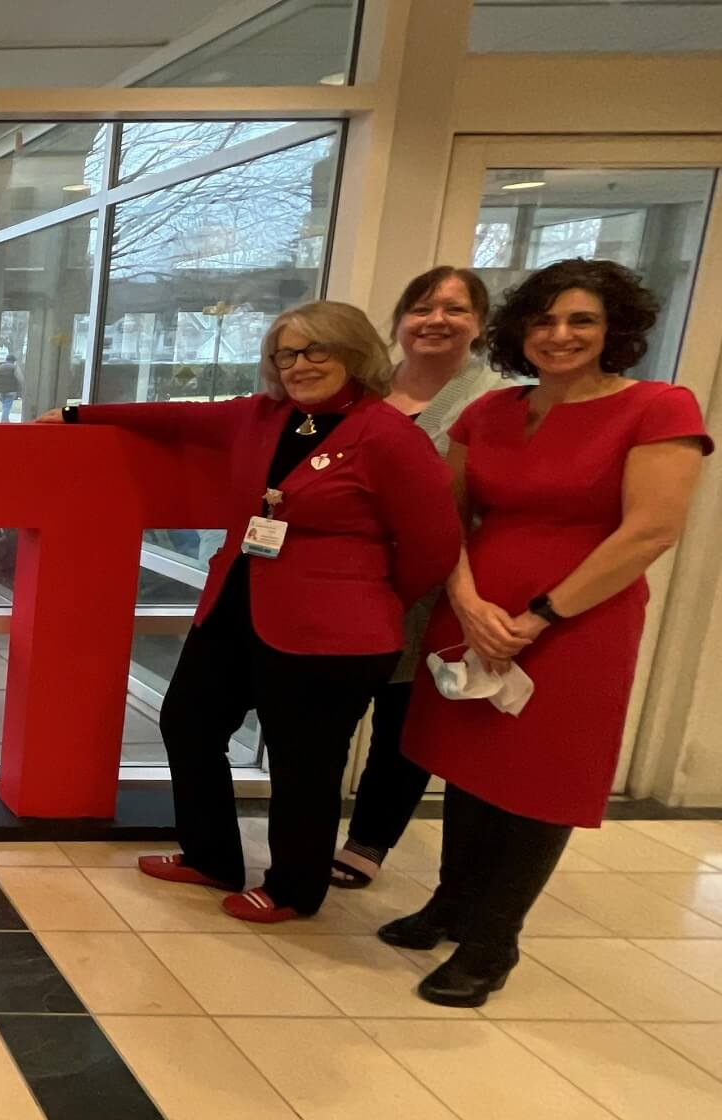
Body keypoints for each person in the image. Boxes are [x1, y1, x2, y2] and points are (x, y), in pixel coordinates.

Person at [42, 301, 461, 923]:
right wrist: (78, 414)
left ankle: (295, 887)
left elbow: (433, 546)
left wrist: (368, 597)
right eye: (285, 354)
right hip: (236, 603)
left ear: (354, 353)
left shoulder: (389, 435)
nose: (299, 366)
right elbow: (179, 419)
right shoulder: (263, 416)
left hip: (333, 631)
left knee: (304, 761)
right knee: (188, 723)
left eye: (316, 351)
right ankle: (211, 856)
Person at [387, 259, 711, 1007]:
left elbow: (651, 530)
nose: (559, 335)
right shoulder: (491, 413)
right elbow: (451, 515)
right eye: (543, 320)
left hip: (576, 624)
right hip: (476, 612)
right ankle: (451, 903)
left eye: (581, 321)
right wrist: (467, 602)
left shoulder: (659, 408)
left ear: (614, 331)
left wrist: (541, 614)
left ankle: (492, 940)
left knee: (538, 780)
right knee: (468, 765)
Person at [331, 266, 505, 888]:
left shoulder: (498, 399)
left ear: (480, 325)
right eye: (423, 308)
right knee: (327, 716)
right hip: (346, 584)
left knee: (403, 721)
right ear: (401, 320)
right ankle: (305, 833)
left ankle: (368, 842)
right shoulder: (362, 389)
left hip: (436, 586)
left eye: (456, 310)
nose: (436, 321)